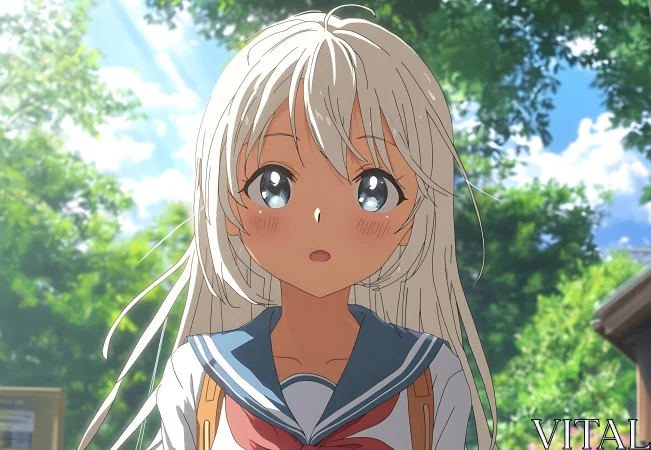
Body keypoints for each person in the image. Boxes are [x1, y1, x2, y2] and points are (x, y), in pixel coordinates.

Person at [78, 5, 497, 450]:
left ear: (411, 215)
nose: (319, 218)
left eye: (373, 189)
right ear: (228, 203)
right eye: (272, 185)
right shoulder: (199, 374)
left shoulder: (430, 374)